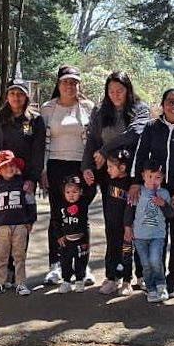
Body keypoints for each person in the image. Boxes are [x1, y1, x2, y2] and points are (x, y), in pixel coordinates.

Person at [130, 88, 174, 298]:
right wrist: (136, 183)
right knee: (155, 234)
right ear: (162, 105)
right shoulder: (152, 127)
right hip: (156, 190)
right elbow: (141, 154)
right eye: (170, 101)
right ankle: (155, 279)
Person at [39, 66, 95, 286]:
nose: (69, 86)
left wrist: (91, 167)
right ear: (58, 84)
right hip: (55, 166)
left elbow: (94, 140)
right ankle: (56, 265)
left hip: (81, 166)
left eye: (74, 82)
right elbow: (41, 142)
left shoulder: (88, 107)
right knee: (57, 216)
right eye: (65, 82)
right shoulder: (48, 108)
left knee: (81, 215)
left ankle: (83, 265)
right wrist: (43, 170)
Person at [0, 150, 37, 297]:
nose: (9, 169)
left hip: (20, 225)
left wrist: (30, 220)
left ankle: (20, 283)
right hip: (2, 226)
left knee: (19, 255)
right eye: (4, 166)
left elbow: (30, 202)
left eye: (12, 165)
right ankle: (0, 283)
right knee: (2, 256)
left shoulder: (23, 184)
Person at [125, 161, 174, 303]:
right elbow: (129, 211)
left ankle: (161, 285)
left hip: (157, 235)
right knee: (146, 264)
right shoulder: (138, 192)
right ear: (143, 176)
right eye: (150, 176)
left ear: (163, 178)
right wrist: (127, 227)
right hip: (139, 236)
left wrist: (163, 204)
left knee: (155, 260)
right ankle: (151, 288)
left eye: (158, 177)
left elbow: (171, 214)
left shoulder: (164, 193)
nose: (153, 181)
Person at [98, 148, 135, 296]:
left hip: (125, 227)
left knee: (126, 252)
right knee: (111, 251)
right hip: (111, 225)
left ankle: (127, 281)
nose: (108, 170)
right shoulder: (109, 180)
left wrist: (128, 225)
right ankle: (111, 278)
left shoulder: (130, 184)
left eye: (111, 167)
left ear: (123, 167)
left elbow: (131, 206)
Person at [55, 175, 91, 293]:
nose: (71, 195)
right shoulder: (60, 205)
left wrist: (85, 240)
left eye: (75, 192)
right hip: (66, 240)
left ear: (80, 192)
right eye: (68, 192)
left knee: (81, 260)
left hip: (81, 239)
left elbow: (90, 191)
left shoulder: (83, 203)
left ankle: (79, 280)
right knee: (65, 261)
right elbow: (56, 221)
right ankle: (66, 281)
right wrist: (59, 235)